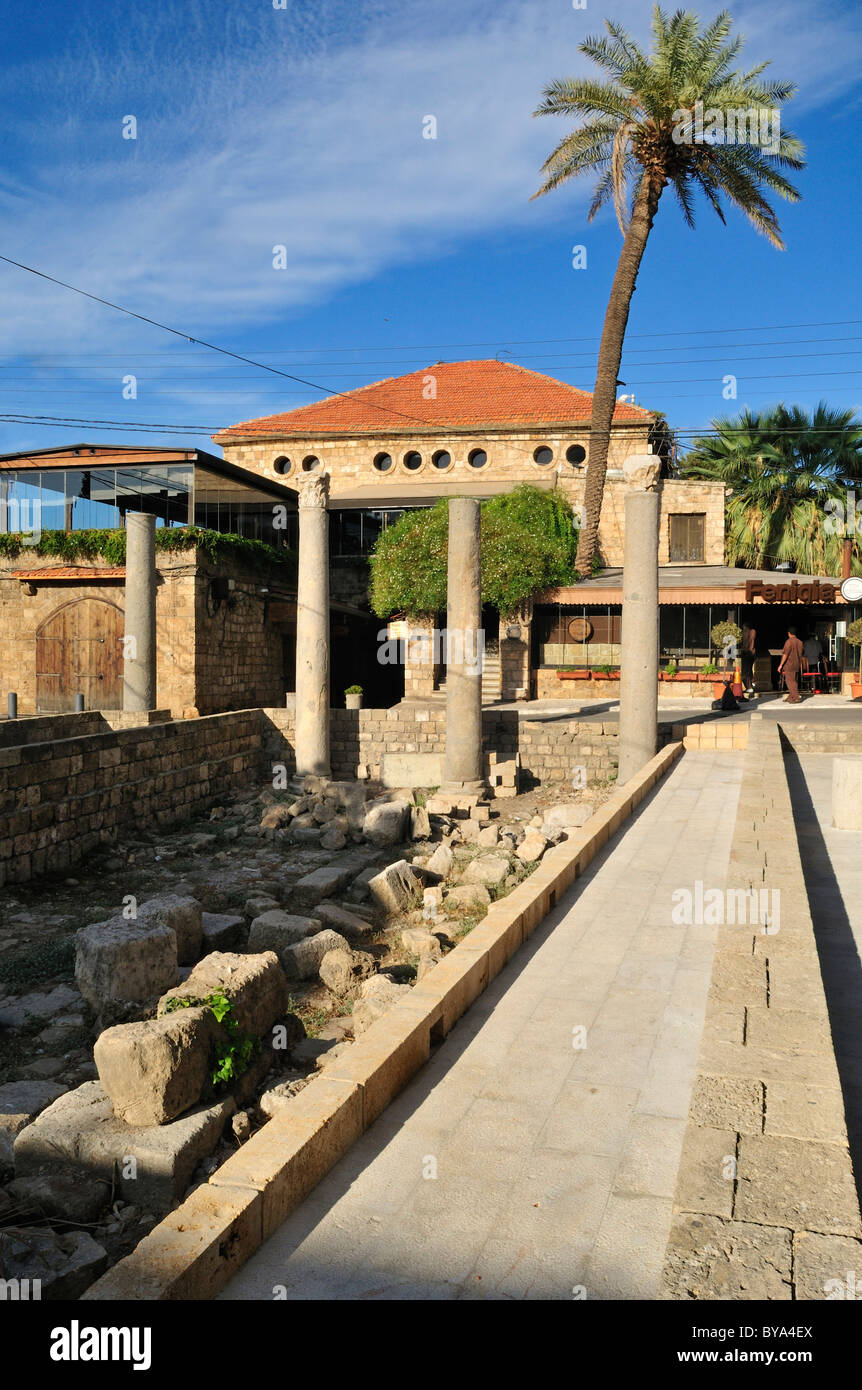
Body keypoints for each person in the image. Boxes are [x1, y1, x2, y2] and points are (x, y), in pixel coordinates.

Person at [779, 626, 804, 703]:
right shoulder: (800, 642)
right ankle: (790, 697)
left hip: (789, 664)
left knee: (789, 681)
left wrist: (780, 665)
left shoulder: (788, 642)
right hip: (797, 664)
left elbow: (785, 654)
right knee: (793, 681)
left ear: (789, 633)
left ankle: (796, 697)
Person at [741, 622, 756, 695]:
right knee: (749, 670)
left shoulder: (749, 632)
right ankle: (752, 683)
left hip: (747, 652)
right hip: (750, 652)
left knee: (746, 671)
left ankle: (750, 687)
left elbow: (749, 642)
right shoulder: (752, 632)